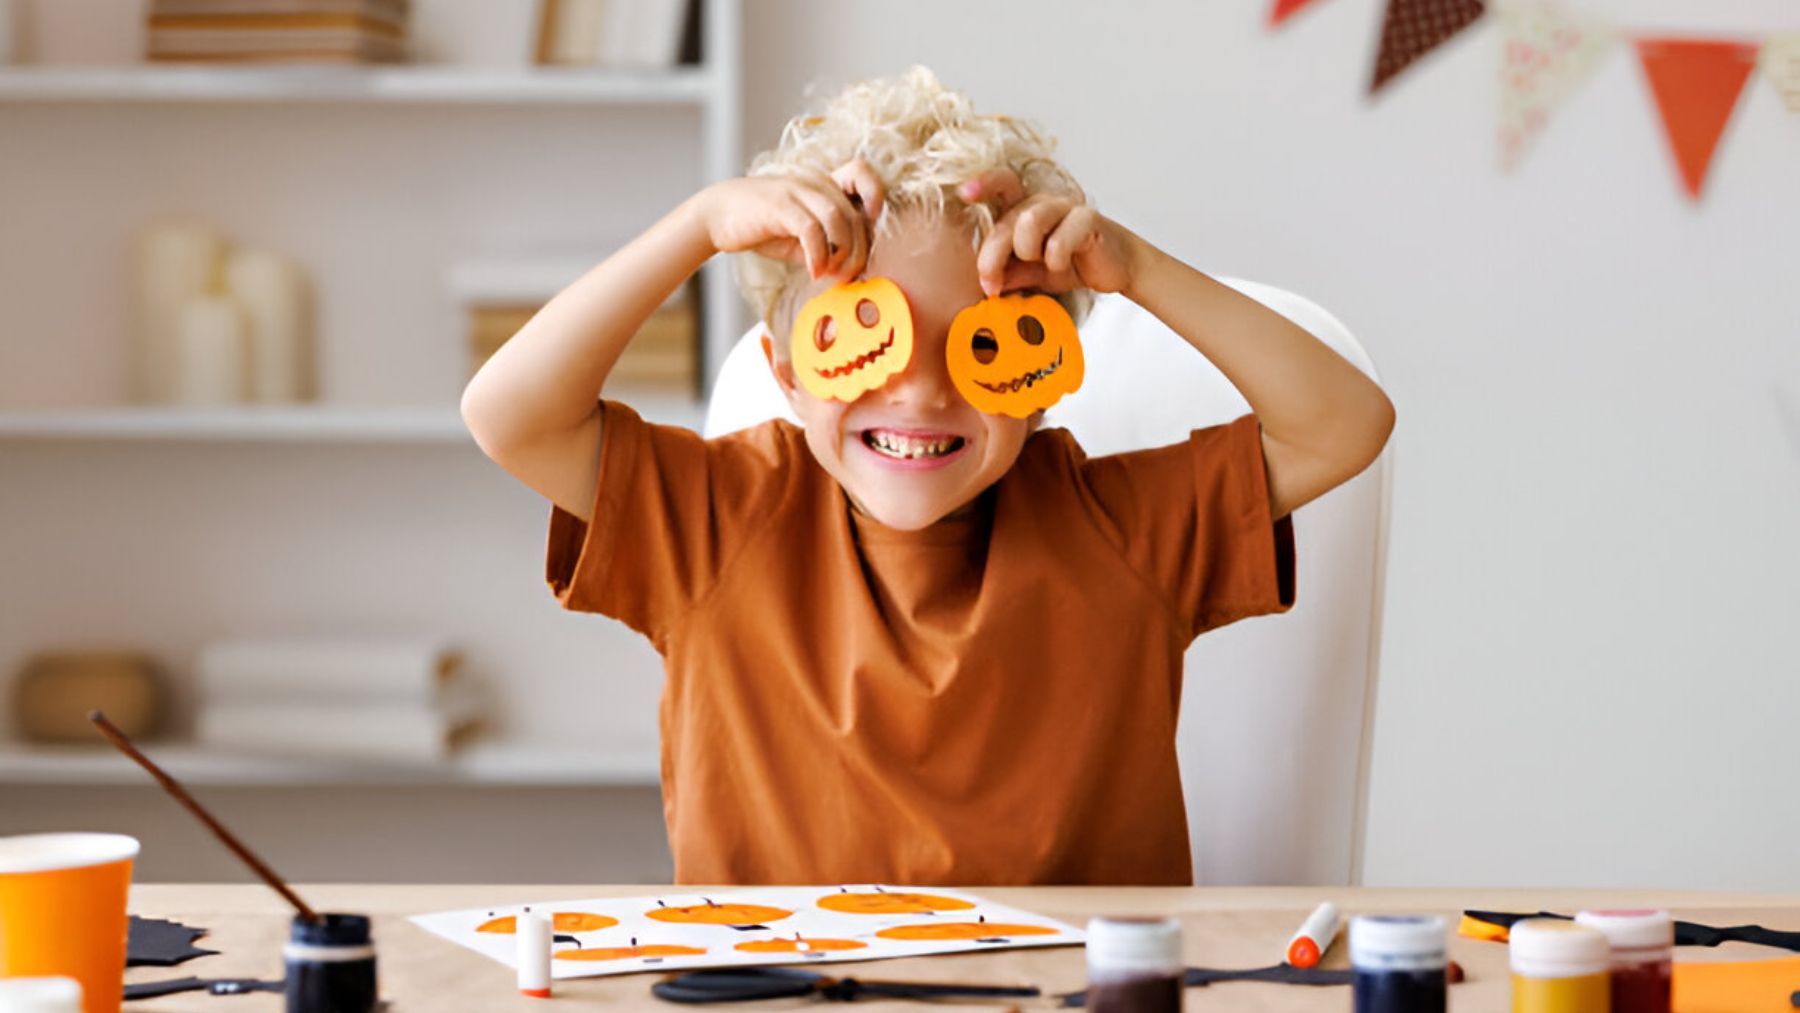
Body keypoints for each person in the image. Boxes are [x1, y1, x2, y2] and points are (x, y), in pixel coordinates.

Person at [461, 67, 1394, 885]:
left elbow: (1348, 424)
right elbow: (506, 415)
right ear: (785, 370)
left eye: (977, 350)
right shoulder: (716, 521)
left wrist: (1136, 270)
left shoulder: (1119, 530)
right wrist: (701, 224)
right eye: (866, 339)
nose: (917, 392)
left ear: (1042, 383)